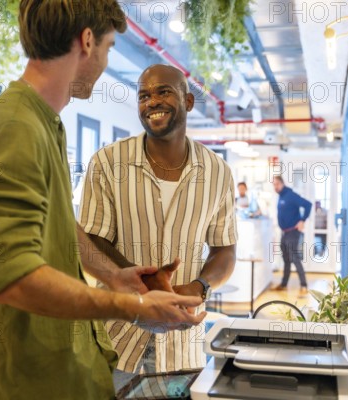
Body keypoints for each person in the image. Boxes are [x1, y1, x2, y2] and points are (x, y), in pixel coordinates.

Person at [0, 3, 205, 399]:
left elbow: (55, 226)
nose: (105, 62)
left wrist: (112, 276)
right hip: (28, 384)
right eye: (107, 48)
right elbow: (11, 277)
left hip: (68, 371)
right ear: (86, 41)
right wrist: (133, 308)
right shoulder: (13, 128)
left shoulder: (43, 123)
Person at [79, 64, 237, 388]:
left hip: (183, 352)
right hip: (117, 340)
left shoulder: (218, 172)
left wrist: (198, 288)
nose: (151, 102)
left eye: (163, 91)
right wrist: (146, 283)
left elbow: (225, 249)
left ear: (188, 102)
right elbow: (92, 238)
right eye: (143, 95)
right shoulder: (108, 163)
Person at [272, 175, 312, 296]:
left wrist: (302, 220)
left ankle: (304, 285)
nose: (275, 187)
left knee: (294, 258)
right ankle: (284, 285)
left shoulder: (291, 195)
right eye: (274, 185)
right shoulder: (281, 196)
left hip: (293, 232)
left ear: (282, 184)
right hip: (285, 232)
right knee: (286, 259)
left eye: (277, 184)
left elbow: (308, 204)